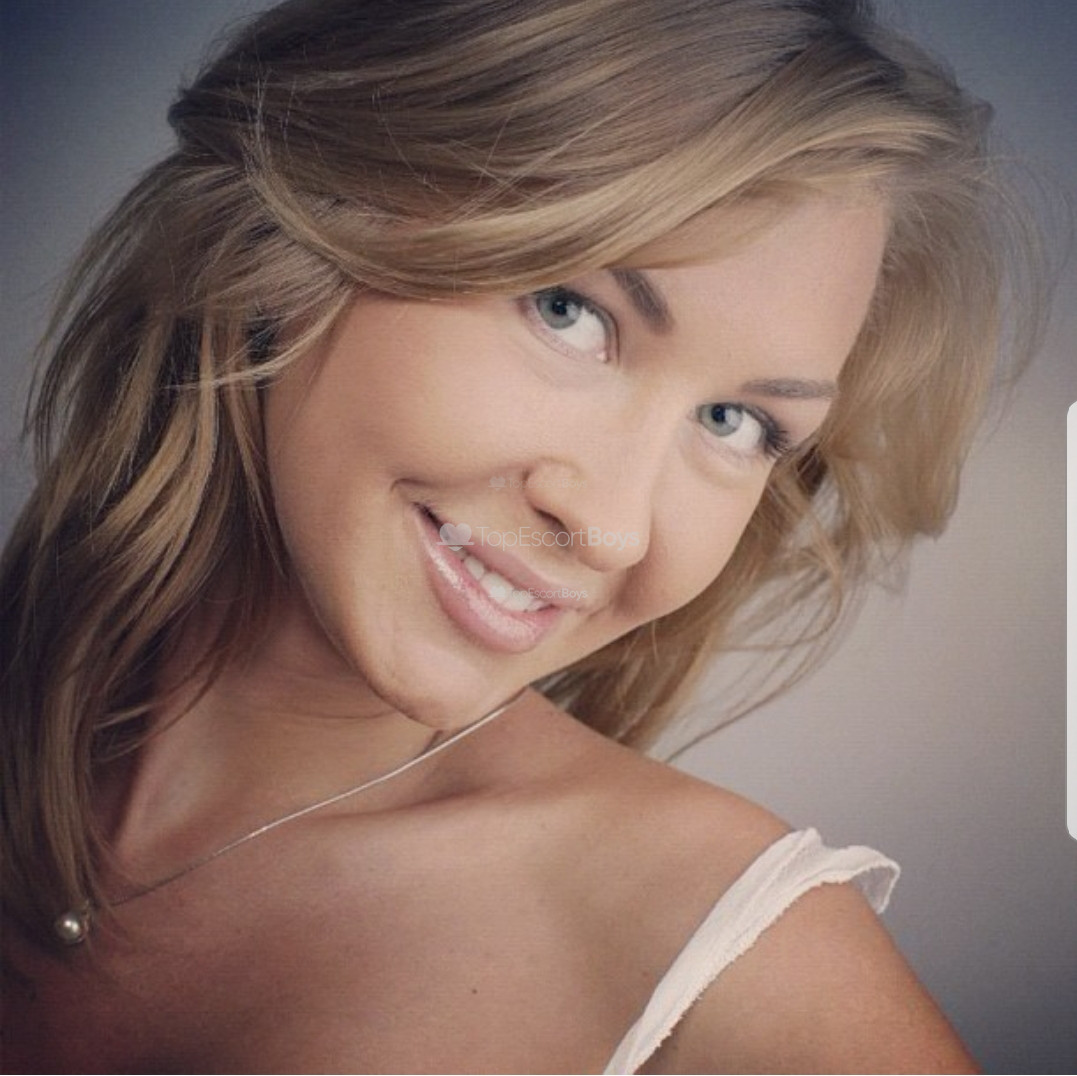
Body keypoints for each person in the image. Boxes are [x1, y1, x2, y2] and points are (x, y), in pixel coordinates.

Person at [0, 0, 1039, 1070]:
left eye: (735, 423)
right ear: (307, 215)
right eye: (568, 312)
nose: (611, 526)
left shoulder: (738, 970)